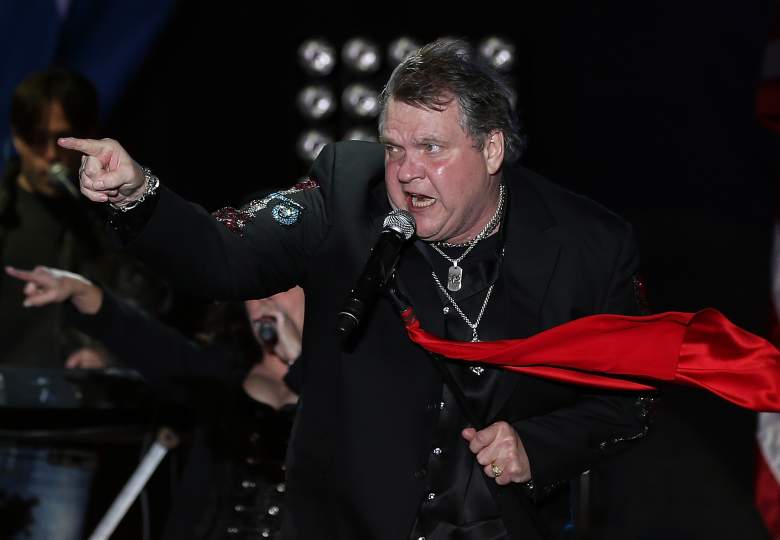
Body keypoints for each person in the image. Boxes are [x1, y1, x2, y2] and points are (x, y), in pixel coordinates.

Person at [59, 38, 654, 539]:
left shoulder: (588, 245)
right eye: (395, 147)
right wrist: (139, 196)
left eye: (432, 148)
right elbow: (224, 257)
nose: (406, 170)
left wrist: (538, 445)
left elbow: (630, 399)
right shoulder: (346, 192)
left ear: (492, 148)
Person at [6, 264, 303, 539]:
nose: (264, 301)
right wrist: (79, 290)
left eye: (282, 287)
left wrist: (301, 364)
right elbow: (145, 340)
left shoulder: (341, 390)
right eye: (255, 289)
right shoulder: (222, 373)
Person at [0, 68, 109, 540]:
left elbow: (154, 298)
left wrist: (108, 353)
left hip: (64, 434)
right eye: (35, 139)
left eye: (60, 140)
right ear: (15, 136)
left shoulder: (107, 220)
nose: (47, 157)